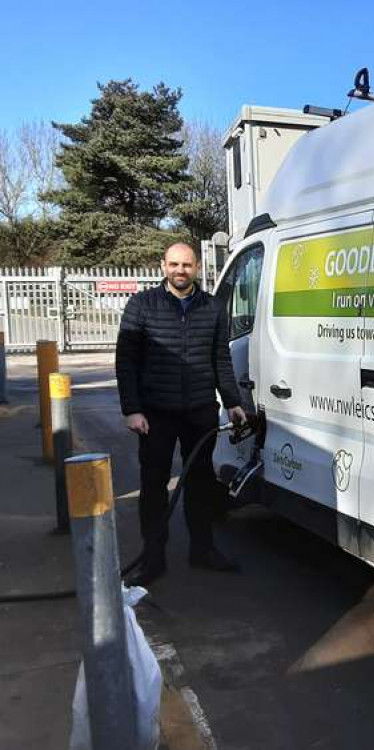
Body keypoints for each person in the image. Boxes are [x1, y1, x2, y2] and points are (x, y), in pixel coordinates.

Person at [116, 243, 246, 587]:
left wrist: (232, 402)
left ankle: (202, 550)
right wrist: (132, 409)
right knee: (154, 485)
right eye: (173, 264)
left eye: (187, 264)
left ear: (198, 267)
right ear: (163, 266)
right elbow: (125, 361)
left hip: (199, 411)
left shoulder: (213, 307)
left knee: (201, 485)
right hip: (154, 414)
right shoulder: (141, 305)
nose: (180, 270)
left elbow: (221, 358)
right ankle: (152, 557)